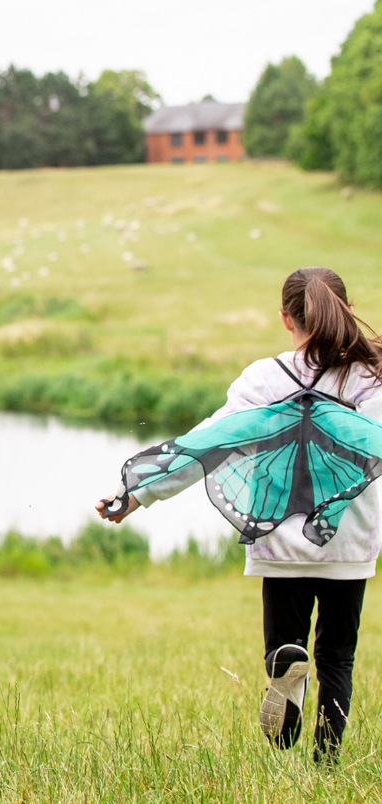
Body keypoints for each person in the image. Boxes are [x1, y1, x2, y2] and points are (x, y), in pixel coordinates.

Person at [97, 267, 382, 763]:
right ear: (347, 311)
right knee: (338, 656)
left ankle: (283, 674)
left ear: (285, 319)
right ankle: (327, 762)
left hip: (279, 540)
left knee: (286, 645)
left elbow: (207, 443)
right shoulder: (371, 377)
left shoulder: (264, 377)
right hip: (347, 542)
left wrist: (136, 493)